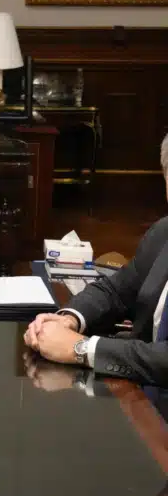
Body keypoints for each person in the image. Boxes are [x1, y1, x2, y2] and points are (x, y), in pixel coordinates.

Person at [24, 134, 168, 386]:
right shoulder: (163, 233)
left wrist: (82, 348)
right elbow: (116, 290)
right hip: (138, 391)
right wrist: (69, 319)